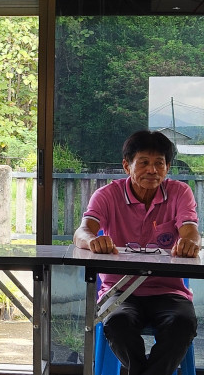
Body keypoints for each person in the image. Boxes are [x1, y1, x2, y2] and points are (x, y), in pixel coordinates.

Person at [73, 130, 200, 375]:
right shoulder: (107, 195)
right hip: (119, 291)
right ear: (126, 165)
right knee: (118, 323)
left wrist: (190, 242)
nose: (152, 170)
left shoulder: (179, 192)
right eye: (143, 163)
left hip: (169, 291)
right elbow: (82, 232)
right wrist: (92, 241)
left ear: (167, 167)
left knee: (183, 324)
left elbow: (191, 231)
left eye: (159, 163)